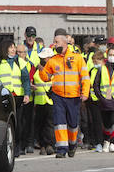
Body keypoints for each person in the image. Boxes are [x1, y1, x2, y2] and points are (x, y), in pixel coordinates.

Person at [37, 29, 88, 158]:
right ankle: (61, 149)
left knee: (72, 124)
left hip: (74, 96)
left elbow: (85, 78)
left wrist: (85, 93)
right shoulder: (53, 60)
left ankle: (72, 144)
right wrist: (41, 69)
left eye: (56, 42)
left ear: (65, 43)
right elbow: (46, 77)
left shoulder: (77, 58)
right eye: (54, 42)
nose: (54, 44)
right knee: (59, 123)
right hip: (58, 96)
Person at [0, 40, 32, 156]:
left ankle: (17, 147)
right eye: (11, 47)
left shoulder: (20, 62)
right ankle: (2, 147)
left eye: (14, 47)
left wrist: (27, 94)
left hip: (17, 97)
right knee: (4, 123)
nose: (13, 50)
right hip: (3, 97)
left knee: (18, 123)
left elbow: (26, 80)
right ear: (4, 48)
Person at [31, 47, 55, 154]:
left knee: (50, 124)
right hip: (39, 101)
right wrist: (31, 86)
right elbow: (29, 80)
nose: (47, 59)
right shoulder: (36, 69)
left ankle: (49, 144)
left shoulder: (55, 69)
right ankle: (42, 146)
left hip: (51, 101)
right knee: (40, 124)